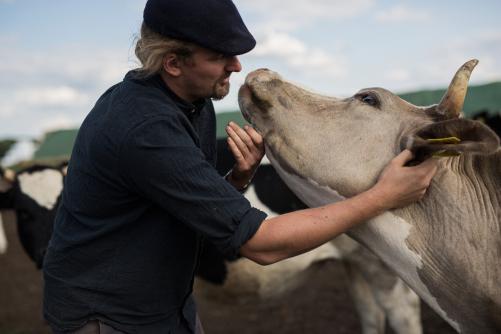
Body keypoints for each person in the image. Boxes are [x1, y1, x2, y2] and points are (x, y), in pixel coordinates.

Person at [42, 0, 438, 333]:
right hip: (108, 317)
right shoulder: (145, 128)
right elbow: (261, 246)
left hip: (165, 302)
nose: (235, 66)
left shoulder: (193, 103)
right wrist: (383, 196)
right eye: (218, 56)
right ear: (173, 63)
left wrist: (236, 179)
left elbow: (182, 207)